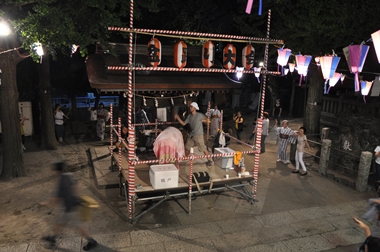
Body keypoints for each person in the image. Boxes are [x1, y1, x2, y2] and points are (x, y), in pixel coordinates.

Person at [41, 162, 98, 251]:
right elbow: (77, 187)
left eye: (53, 170)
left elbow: (56, 199)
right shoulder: (69, 175)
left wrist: (46, 204)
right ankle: (53, 238)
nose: (52, 171)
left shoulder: (61, 181)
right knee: (60, 223)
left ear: (57, 171)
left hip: (71, 208)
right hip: (71, 206)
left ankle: (92, 241)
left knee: (80, 227)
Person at [174, 102, 213, 167]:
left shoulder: (199, 115)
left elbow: (209, 120)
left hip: (198, 135)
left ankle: (209, 160)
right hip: (191, 135)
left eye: (191, 107)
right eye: (190, 107)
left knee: (203, 148)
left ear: (195, 108)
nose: (190, 108)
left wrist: (206, 121)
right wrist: (178, 118)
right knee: (186, 148)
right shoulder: (189, 116)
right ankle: (184, 160)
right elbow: (184, 124)